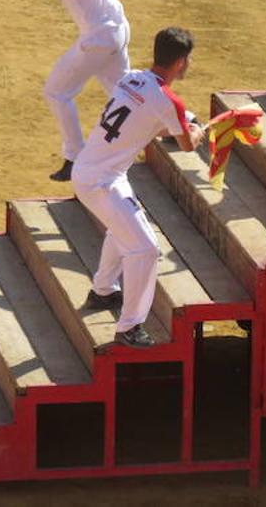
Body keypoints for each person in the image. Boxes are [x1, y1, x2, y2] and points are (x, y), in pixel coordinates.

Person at [2, 0, 162, 182]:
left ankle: (74, 156)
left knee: (56, 92)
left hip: (99, 36)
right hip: (118, 26)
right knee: (123, 90)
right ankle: (179, 123)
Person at [73, 26, 206, 348]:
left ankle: (103, 291)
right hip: (102, 181)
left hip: (94, 172)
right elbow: (187, 145)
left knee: (122, 230)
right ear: (182, 62)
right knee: (145, 249)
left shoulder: (131, 78)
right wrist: (199, 129)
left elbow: (147, 125)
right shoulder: (168, 99)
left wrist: (178, 126)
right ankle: (130, 328)